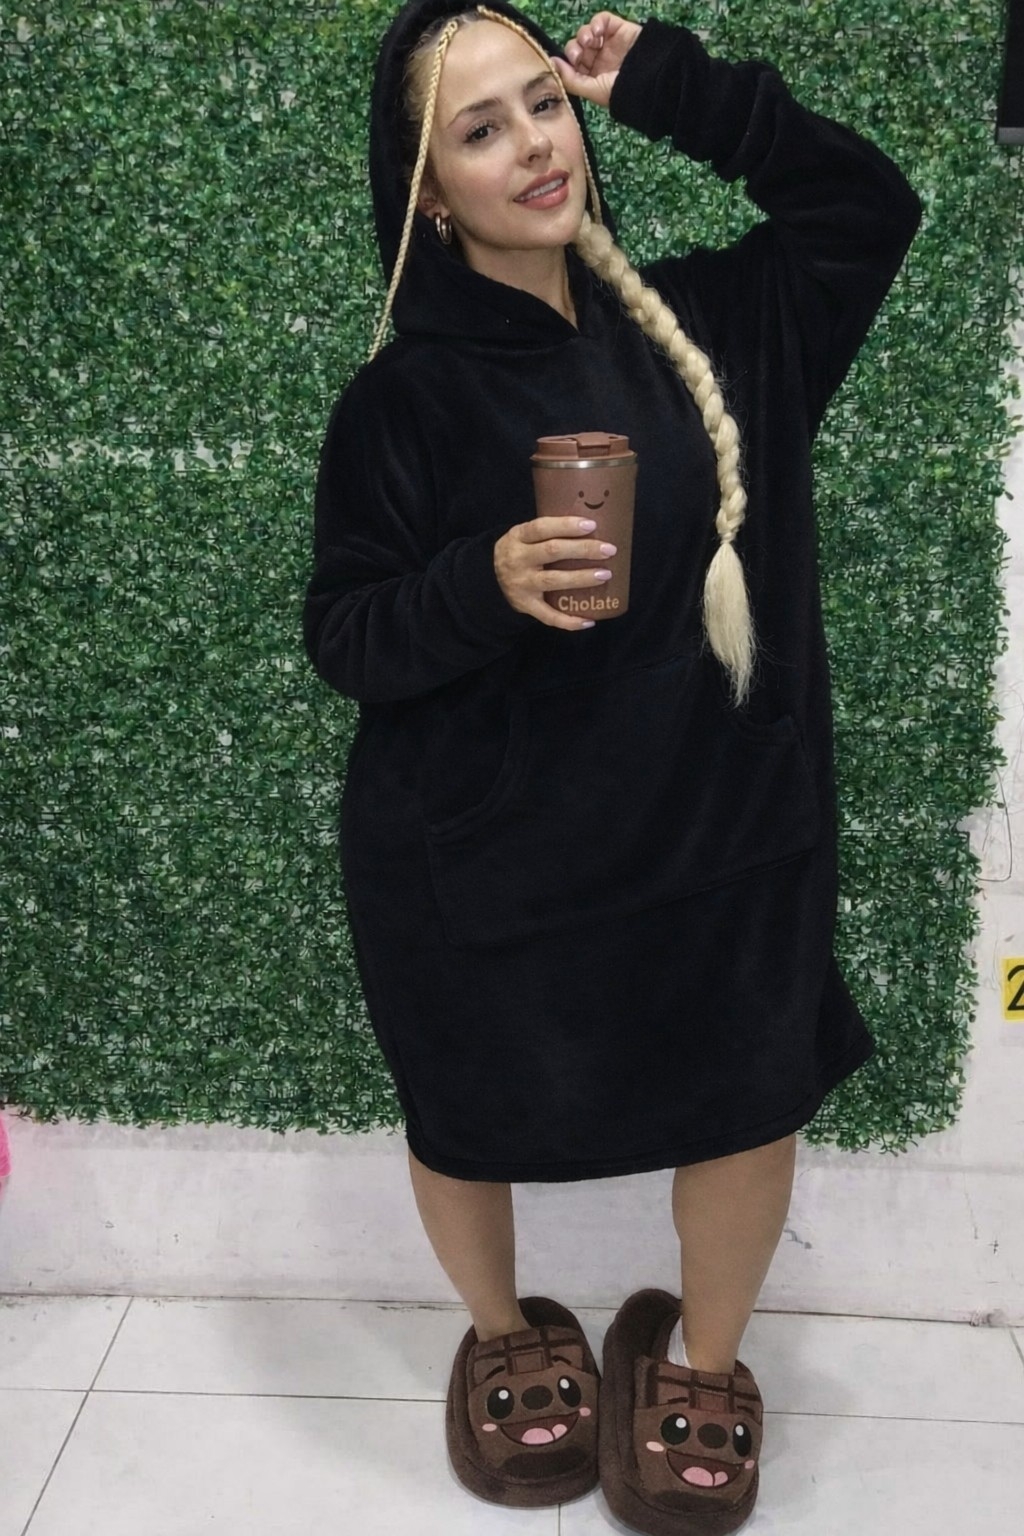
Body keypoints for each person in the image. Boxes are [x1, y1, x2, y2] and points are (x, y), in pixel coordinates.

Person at [302, 2, 922, 1529]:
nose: (535, 144)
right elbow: (346, 636)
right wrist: (481, 583)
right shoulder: (400, 401)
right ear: (426, 191)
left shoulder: (722, 325)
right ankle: (505, 1334)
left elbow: (868, 209)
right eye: (481, 128)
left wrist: (675, 87)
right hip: (488, 862)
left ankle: (703, 1361)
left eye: (545, 102)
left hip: (725, 836)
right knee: (462, 1108)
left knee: (751, 1095)